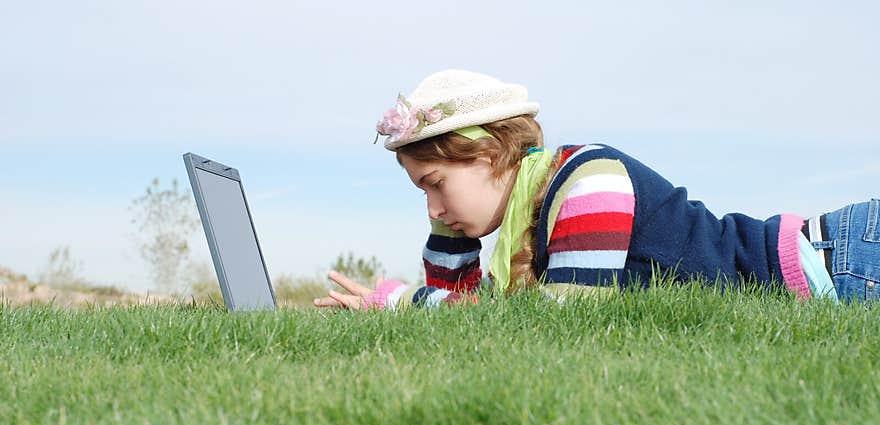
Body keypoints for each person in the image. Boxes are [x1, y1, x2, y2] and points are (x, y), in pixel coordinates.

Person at [314, 70, 880, 310]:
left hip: (841, 264)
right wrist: (449, 228)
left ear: (489, 155)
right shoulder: (526, 217)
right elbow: (474, 320)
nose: (434, 209)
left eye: (435, 185)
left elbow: (559, 324)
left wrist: (400, 304)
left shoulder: (590, 180)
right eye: (422, 195)